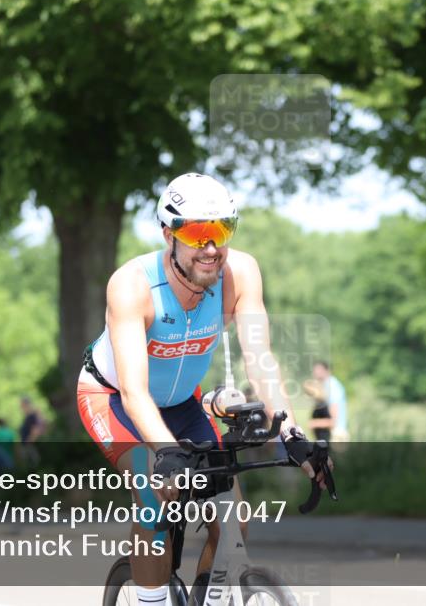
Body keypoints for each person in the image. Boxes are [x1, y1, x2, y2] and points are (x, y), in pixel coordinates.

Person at [77, 173, 327, 606]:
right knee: (156, 501)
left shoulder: (241, 273)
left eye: (222, 232)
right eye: (197, 233)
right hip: (113, 399)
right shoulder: (133, 286)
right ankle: (150, 600)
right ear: (168, 234)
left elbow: (261, 359)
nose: (211, 248)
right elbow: (134, 391)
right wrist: (166, 453)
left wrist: (293, 435)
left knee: (234, 519)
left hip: (181, 404)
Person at [311, 360, 349, 442]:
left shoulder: (332, 387)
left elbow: (333, 421)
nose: (316, 373)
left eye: (319, 370)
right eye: (315, 370)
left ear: (327, 371)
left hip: (337, 434)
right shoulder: (327, 386)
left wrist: (315, 423)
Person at [18, 396, 46, 466]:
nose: (21, 407)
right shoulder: (29, 416)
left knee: (35, 467)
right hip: (29, 446)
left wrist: (28, 443)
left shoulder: (31, 415)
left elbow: (36, 430)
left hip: (31, 447)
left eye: (22, 405)